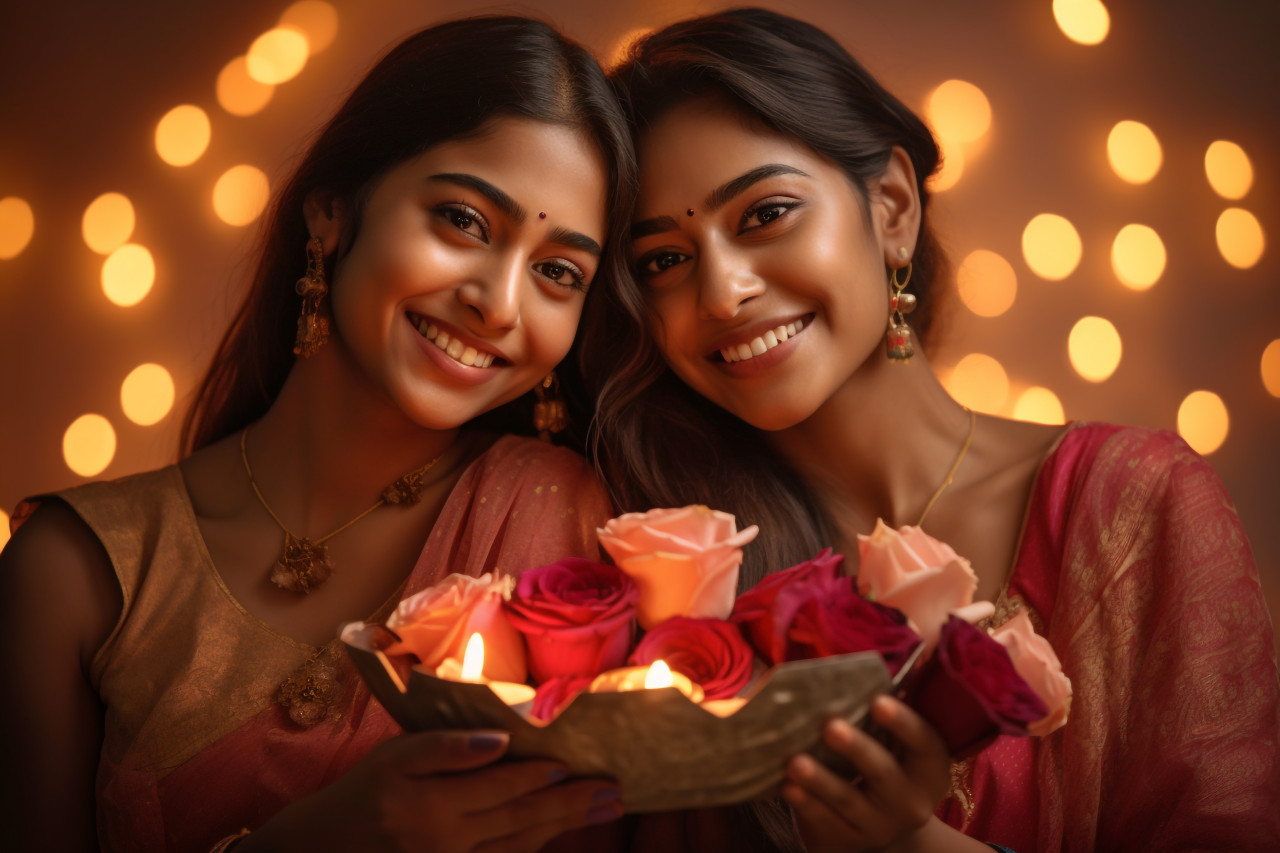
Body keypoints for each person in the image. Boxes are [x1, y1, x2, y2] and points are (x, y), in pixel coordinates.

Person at [586, 8, 1280, 852]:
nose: (723, 291)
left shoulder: (1134, 502)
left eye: (765, 215)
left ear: (892, 207)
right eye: (663, 259)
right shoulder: (662, 560)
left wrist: (912, 841)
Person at [0, 16, 637, 853]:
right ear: (332, 213)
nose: (501, 303)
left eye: (558, 272)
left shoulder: (586, 534)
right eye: (464, 220)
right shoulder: (72, 571)